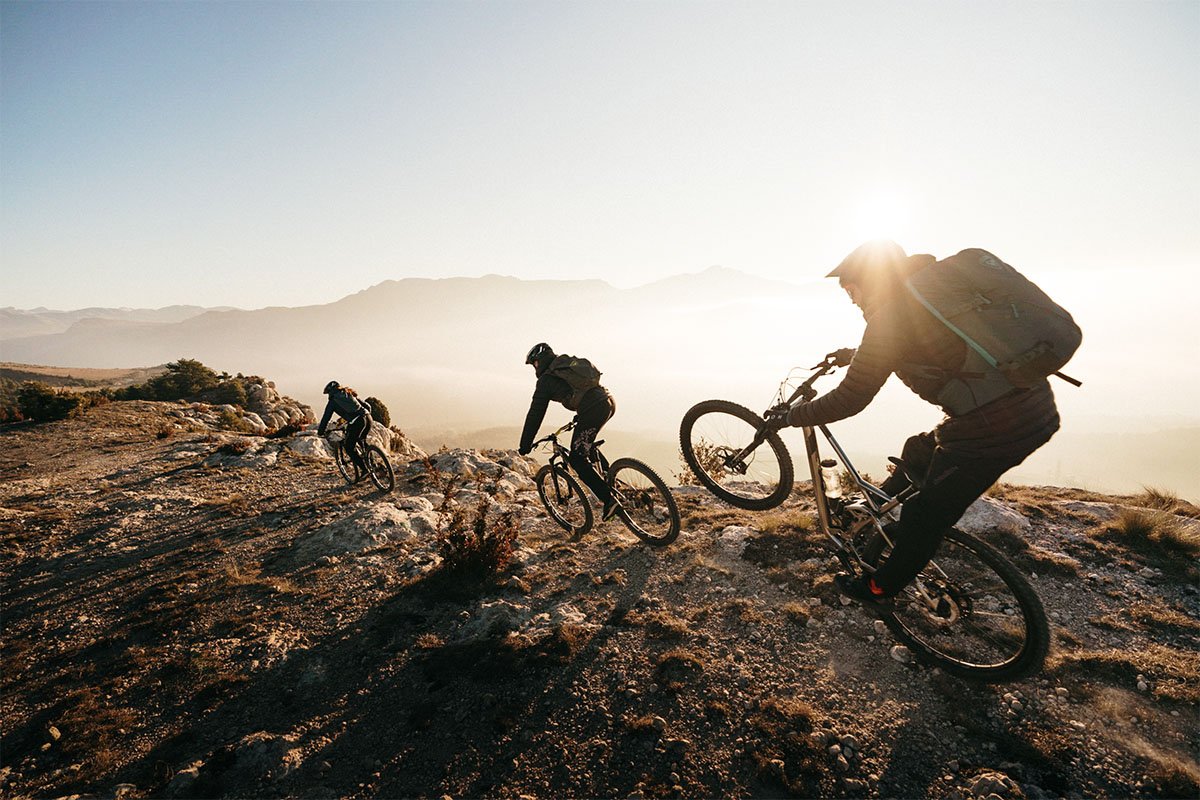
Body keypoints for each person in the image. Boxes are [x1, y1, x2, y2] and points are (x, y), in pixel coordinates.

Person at [783, 240, 1060, 606]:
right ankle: (877, 517)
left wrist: (794, 416)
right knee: (918, 450)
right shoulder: (931, 293)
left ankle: (879, 587)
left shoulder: (891, 318)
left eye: (851, 289)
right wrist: (858, 354)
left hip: (998, 430)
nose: (851, 300)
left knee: (925, 515)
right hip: (1027, 406)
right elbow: (935, 340)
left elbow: (851, 398)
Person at [518, 343, 620, 519]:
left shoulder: (545, 381)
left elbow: (535, 413)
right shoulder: (562, 366)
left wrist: (525, 444)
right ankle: (613, 483)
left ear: (538, 362)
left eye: (533, 364)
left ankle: (609, 500)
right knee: (586, 443)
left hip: (593, 407)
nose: (534, 368)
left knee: (577, 458)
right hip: (607, 400)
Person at [318, 380, 372, 479]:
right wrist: (365, 414)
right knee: (361, 439)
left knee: (349, 447)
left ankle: (365, 470)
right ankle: (373, 464)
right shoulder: (348, 393)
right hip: (368, 417)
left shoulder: (333, 401)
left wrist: (320, 432)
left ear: (330, 392)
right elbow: (367, 406)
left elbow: (326, 418)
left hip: (357, 421)